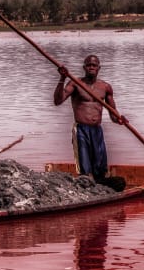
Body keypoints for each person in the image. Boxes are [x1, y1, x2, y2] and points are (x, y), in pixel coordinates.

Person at [53, 54, 125, 185]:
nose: (91, 67)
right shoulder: (75, 83)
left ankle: (101, 187)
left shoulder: (105, 87)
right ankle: (84, 185)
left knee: (100, 168)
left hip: (97, 130)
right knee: (84, 167)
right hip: (81, 129)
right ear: (84, 67)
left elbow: (113, 114)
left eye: (94, 65)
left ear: (99, 68)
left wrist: (120, 120)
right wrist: (62, 79)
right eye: (88, 65)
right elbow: (58, 101)